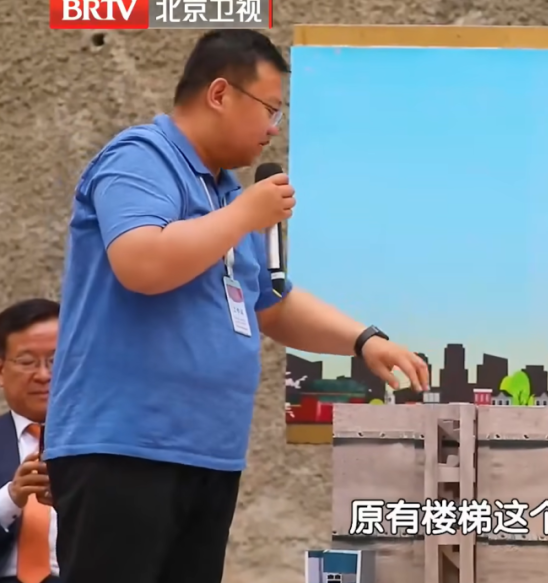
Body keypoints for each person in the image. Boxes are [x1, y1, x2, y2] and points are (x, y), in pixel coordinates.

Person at [44, 30, 430, 583]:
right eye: (270, 109)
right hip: (126, 448)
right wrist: (246, 214)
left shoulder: (226, 193)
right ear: (221, 94)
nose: (274, 128)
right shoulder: (141, 158)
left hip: (209, 453)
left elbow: (270, 304)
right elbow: (142, 263)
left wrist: (364, 340)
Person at [0, 298, 61, 583]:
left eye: (56, 360)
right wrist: (11, 498)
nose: (44, 375)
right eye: (27, 362)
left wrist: (72, 504)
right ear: (2, 370)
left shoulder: (110, 445)